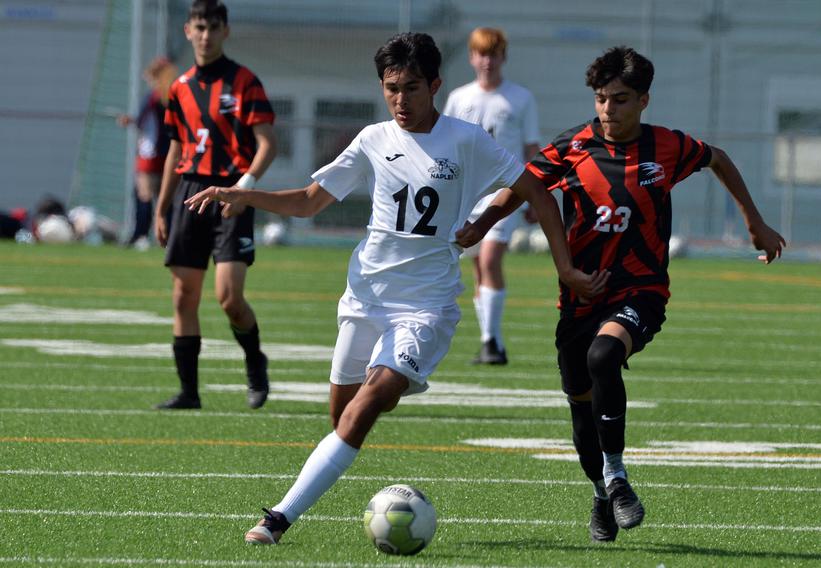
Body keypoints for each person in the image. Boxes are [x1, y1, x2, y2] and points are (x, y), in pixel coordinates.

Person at [183, 32, 607, 545]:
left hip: (425, 307)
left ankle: (276, 519)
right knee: (341, 418)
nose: (400, 100)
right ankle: (386, 388)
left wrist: (561, 265)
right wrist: (243, 194)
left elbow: (537, 191)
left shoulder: (466, 140)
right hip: (364, 300)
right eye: (391, 89)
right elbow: (310, 200)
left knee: (366, 407)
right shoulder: (372, 139)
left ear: (435, 85)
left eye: (410, 88)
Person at [466, 46, 786, 542]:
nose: (607, 110)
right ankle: (600, 490)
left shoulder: (668, 147)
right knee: (579, 408)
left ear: (643, 101)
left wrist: (755, 222)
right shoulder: (572, 146)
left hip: (642, 290)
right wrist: (479, 225)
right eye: (600, 99)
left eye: (619, 100)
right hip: (579, 296)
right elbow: (524, 188)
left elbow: (717, 159)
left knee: (604, 355)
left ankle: (616, 476)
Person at [154, 0, 277, 410]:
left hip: (229, 194)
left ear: (226, 32)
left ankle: (254, 361)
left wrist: (244, 189)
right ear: (188, 31)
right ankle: (189, 392)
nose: (206, 35)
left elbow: (268, 145)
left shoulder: (245, 82)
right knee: (183, 297)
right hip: (190, 194)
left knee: (229, 298)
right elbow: (175, 150)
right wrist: (161, 206)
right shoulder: (180, 87)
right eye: (199, 27)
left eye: (213, 27)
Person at [442, 27, 540, 365]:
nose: (487, 60)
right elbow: (447, 148)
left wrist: (534, 198)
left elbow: (531, 149)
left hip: (505, 193)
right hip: (468, 195)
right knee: (478, 269)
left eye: (493, 54)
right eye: (481, 53)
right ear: (472, 57)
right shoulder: (458, 98)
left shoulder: (521, 98)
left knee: (490, 259)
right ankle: (492, 343)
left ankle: (490, 342)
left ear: (503, 57)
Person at [117, 56, 178, 249]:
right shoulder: (174, 97)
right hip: (170, 153)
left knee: (143, 195)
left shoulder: (152, 98)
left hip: (150, 155)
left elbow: (141, 121)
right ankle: (167, 236)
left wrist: (128, 120)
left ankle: (141, 234)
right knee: (165, 198)